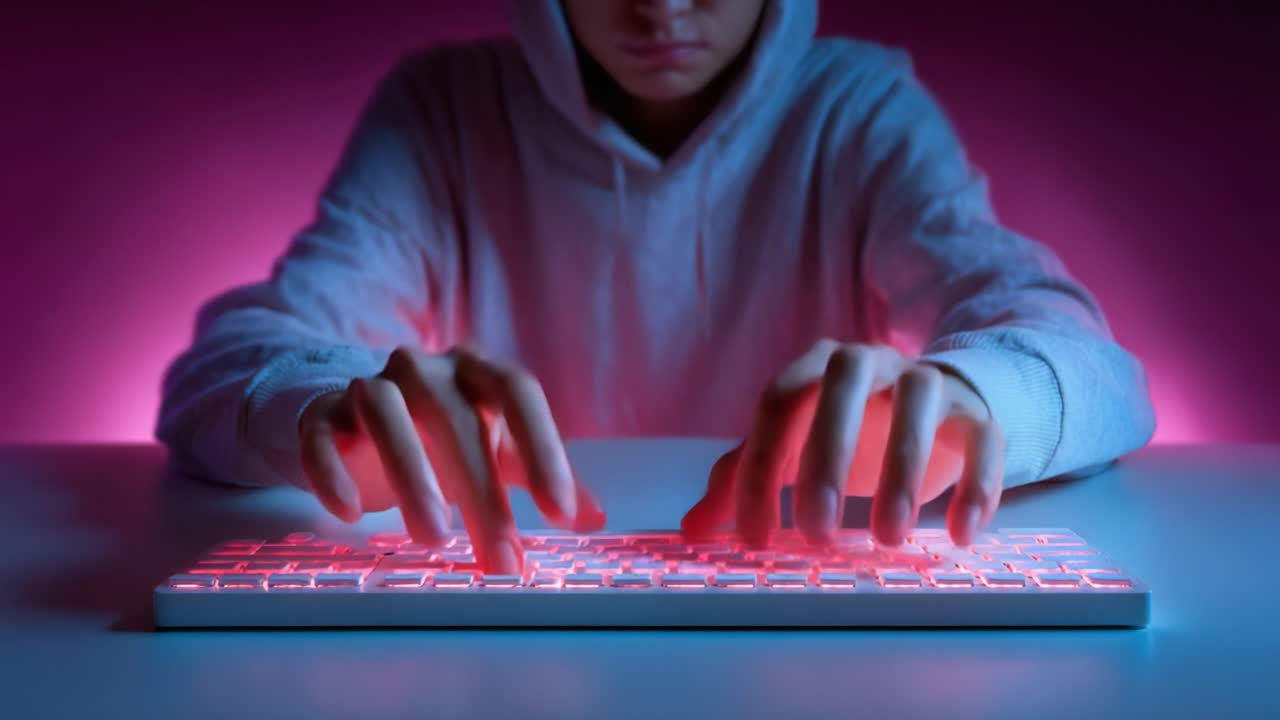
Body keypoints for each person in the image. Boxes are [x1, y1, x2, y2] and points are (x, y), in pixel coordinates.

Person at [156, 0, 1155, 576]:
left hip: (804, 620)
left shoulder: (858, 105)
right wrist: (332, 402)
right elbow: (225, 363)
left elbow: (1092, 366)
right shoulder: (442, 108)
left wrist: (973, 397)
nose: (661, 5)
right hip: (510, 630)